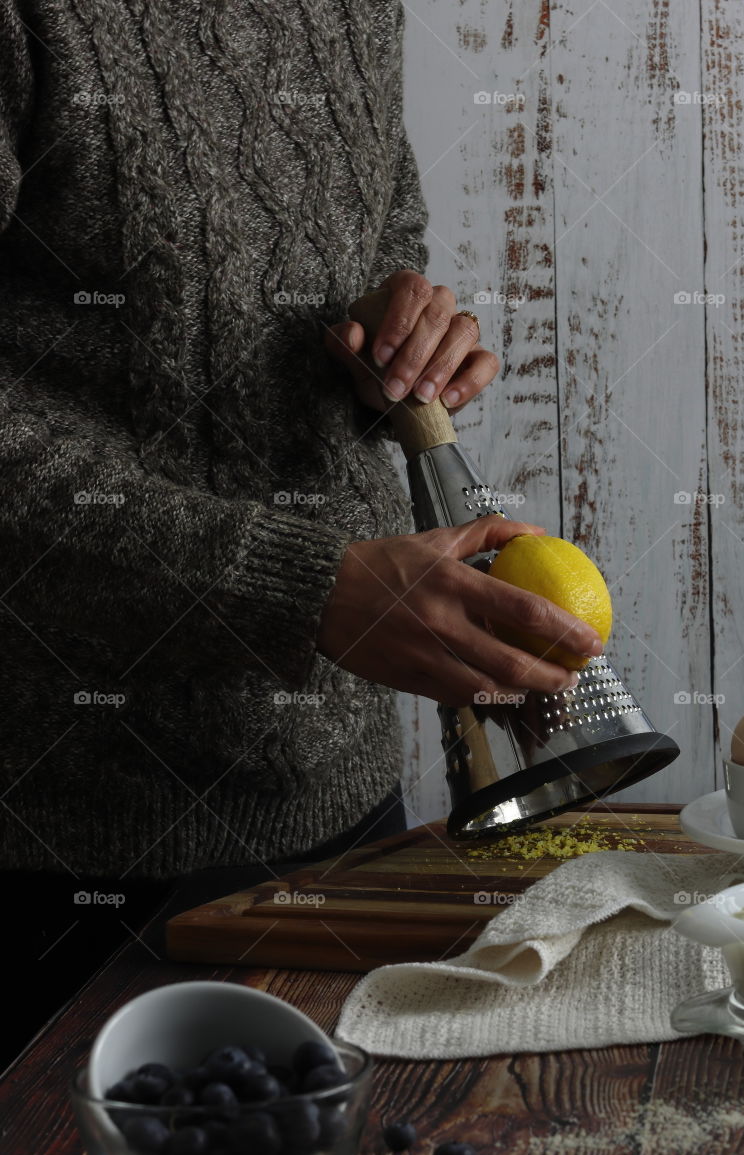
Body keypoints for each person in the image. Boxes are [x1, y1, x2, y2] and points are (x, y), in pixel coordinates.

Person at [0, 0, 603, 1063]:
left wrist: (401, 325)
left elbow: (374, 241)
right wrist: (298, 588)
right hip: (64, 851)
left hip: (338, 804)